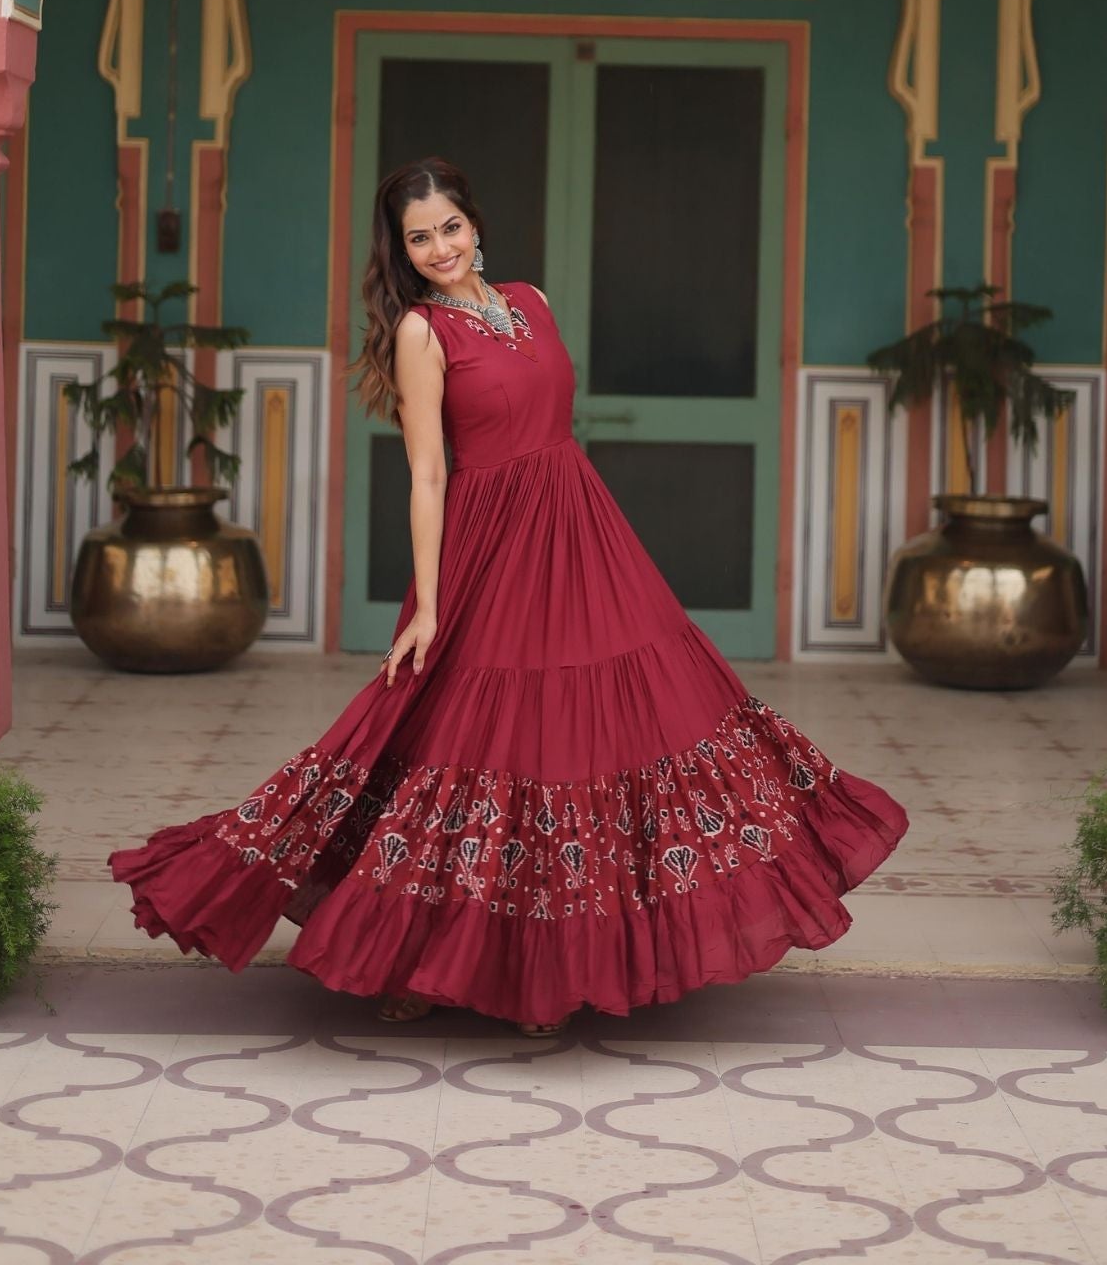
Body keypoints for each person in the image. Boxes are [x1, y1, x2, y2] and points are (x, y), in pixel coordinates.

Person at [109, 156, 908, 1036]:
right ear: (403, 252)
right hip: (487, 545)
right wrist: (429, 602)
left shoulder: (531, 302)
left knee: (603, 725)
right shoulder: (420, 332)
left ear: (475, 225)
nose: (440, 248)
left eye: (450, 228)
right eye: (420, 238)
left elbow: (551, 421)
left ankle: (553, 967)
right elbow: (425, 473)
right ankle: (416, 959)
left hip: (580, 528)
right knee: (464, 734)